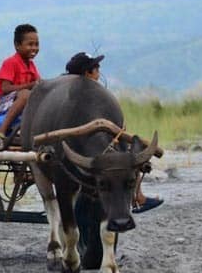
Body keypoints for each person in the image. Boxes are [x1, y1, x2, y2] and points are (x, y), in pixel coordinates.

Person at [65, 52, 163, 214]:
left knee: (127, 149)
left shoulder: (75, 91)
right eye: (96, 68)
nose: (99, 71)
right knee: (128, 156)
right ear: (88, 72)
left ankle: (135, 196)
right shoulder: (91, 93)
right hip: (90, 144)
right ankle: (137, 197)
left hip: (92, 142)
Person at [0, 23, 41, 138]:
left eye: (36, 44)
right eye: (30, 44)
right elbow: (5, 88)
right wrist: (31, 85)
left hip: (18, 101)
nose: (34, 48)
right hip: (0, 103)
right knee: (26, 94)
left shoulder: (31, 65)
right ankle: (1, 129)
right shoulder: (11, 62)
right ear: (17, 45)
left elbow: (39, 84)